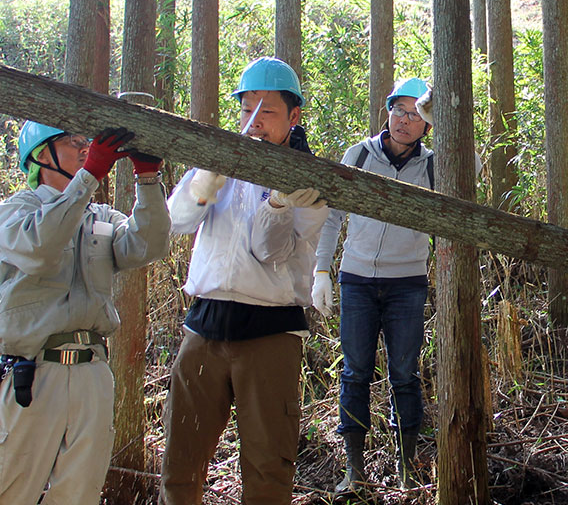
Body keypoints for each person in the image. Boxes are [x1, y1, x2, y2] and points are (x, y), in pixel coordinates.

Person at [159, 57, 328, 505]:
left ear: (293, 117)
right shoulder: (220, 159)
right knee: (181, 461)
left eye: (266, 111)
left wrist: (278, 200)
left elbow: (269, 251)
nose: (253, 121)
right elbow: (174, 221)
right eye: (246, 108)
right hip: (204, 327)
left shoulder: (309, 185)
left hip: (269, 332)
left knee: (268, 467)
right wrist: (204, 182)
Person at [0, 122, 170, 504]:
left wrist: (147, 179)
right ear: (42, 155)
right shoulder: (14, 212)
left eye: (85, 142)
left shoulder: (100, 217)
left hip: (92, 371)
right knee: (12, 485)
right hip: (31, 372)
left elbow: (147, 246)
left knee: (80, 492)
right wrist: (90, 175)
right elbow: (40, 246)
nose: (83, 148)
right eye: (71, 142)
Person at [312, 78, 436, 494]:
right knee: (355, 372)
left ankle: (406, 466)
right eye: (398, 110)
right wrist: (322, 271)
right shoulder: (360, 155)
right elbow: (332, 216)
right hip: (358, 280)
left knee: (404, 374)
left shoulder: (434, 165)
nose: (404, 120)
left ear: (427, 124)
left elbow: (470, 171)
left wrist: (442, 121)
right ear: (387, 112)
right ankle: (354, 470)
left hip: (407, 283)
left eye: (415, 113)